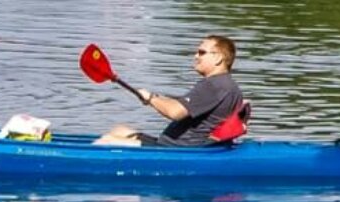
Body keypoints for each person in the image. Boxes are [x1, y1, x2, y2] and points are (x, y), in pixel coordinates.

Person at [94, 35, 244, 147]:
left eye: (201, 52)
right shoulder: (228, 85)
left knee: (106, 142)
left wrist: (151, 98)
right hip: (175, 145)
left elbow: (175, 112)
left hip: (178, 150)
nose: (196, 56)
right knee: (119, 130)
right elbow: (182, 105)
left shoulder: (214, 86)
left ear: (218, 58)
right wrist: (155, 98)